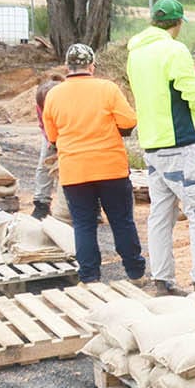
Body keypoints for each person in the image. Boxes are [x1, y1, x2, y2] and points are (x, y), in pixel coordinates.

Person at [126, 0, 195, 295]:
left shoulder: (136, 54)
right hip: (180, 144)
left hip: (152, 146)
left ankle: (162, 279)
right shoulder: (174, 50)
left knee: (161, 214)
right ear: (178, 23)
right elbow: (192, 95)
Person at [41, 44, 147, 287]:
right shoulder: (107, 89)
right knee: (121, 221)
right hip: (110, 168)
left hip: (74, 171)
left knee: (84, 224)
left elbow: (52, 136)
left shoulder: (54, 95)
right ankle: (135, 272)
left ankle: (90, 277)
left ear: (67, 67)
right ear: (92, 66)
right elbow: (129, 120)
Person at [30, 70, 65, 219]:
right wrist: (53, 142)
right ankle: (41, 203)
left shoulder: (66, 99)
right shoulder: (41, 103)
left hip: (71, 132)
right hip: (50, 133)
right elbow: (43, 124)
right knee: (44, 165)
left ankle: (93, 205)